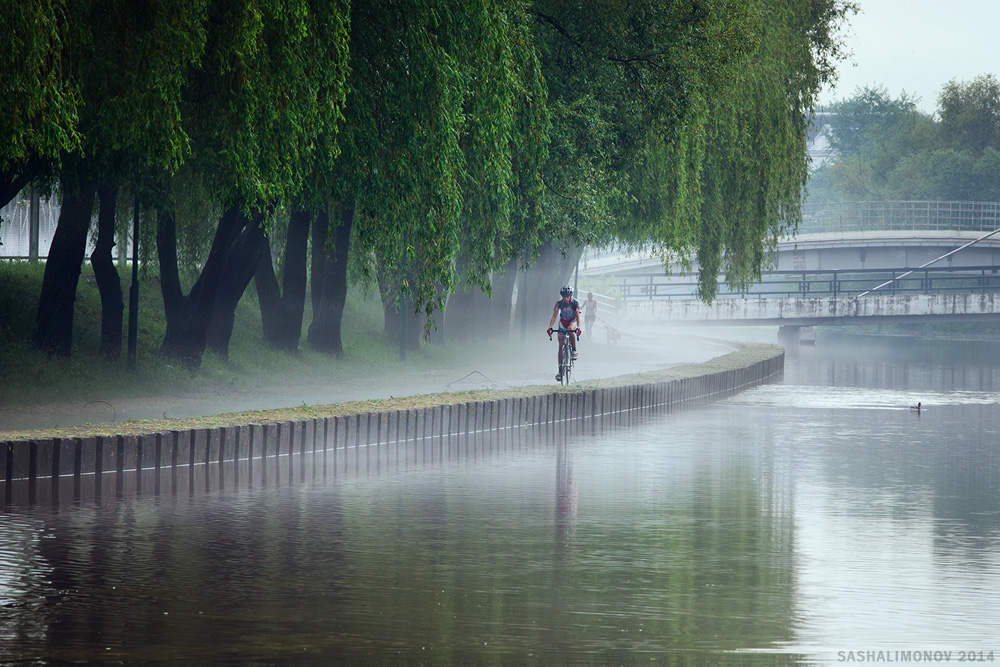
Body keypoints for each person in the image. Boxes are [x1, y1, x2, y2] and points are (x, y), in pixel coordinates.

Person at [547, 285, 581, 382]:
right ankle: (560, 371)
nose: (566, 298)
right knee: (560, 345)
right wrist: (550, 327)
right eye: (564, 296)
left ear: (571, 295)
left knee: (570, 329)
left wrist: (578, 327)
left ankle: (574, 350)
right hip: (562, 322)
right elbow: (554, 317)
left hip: (572, 321)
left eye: (567, 296)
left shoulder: (575, 302)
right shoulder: (559, 303)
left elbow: (578, 316)